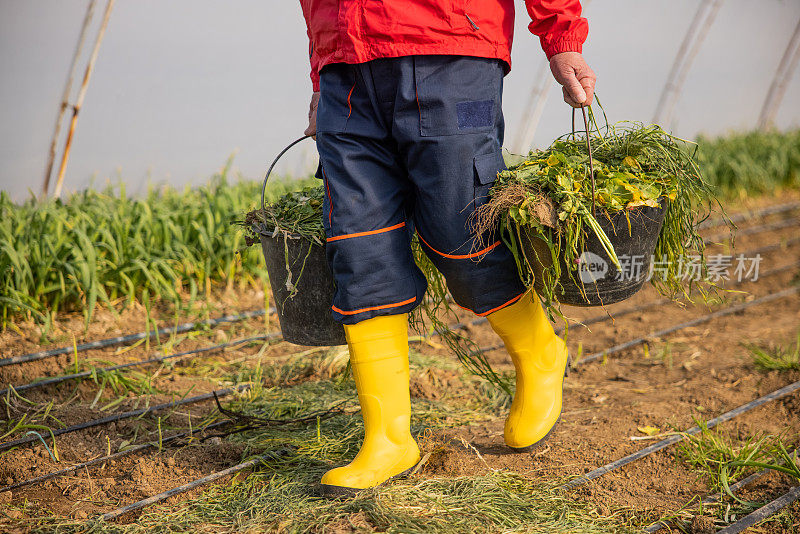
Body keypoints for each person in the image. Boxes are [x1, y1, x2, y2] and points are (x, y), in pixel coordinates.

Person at [298, 0, 596, 497]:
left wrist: (562, 37)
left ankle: (540, 351)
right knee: (359, 249)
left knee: (466, 236)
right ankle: (389, 439)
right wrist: (320, 72)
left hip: (451, 51)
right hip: (346, 69)